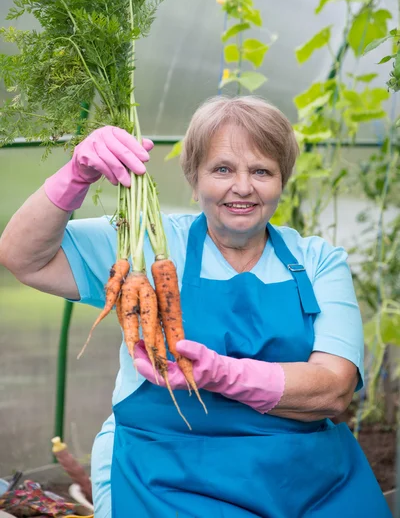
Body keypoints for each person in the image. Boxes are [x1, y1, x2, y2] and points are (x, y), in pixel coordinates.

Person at [0, 96, 391, 518]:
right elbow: (25, 258)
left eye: (261, 171)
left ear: (282, 181)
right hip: (167, 470)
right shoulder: (147, 241)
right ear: (194, 179)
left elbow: (334, 389)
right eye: (222, 169)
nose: (242, 186)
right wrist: (76, 175)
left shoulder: (318, 260)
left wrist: (222, 374)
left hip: (306, 475)